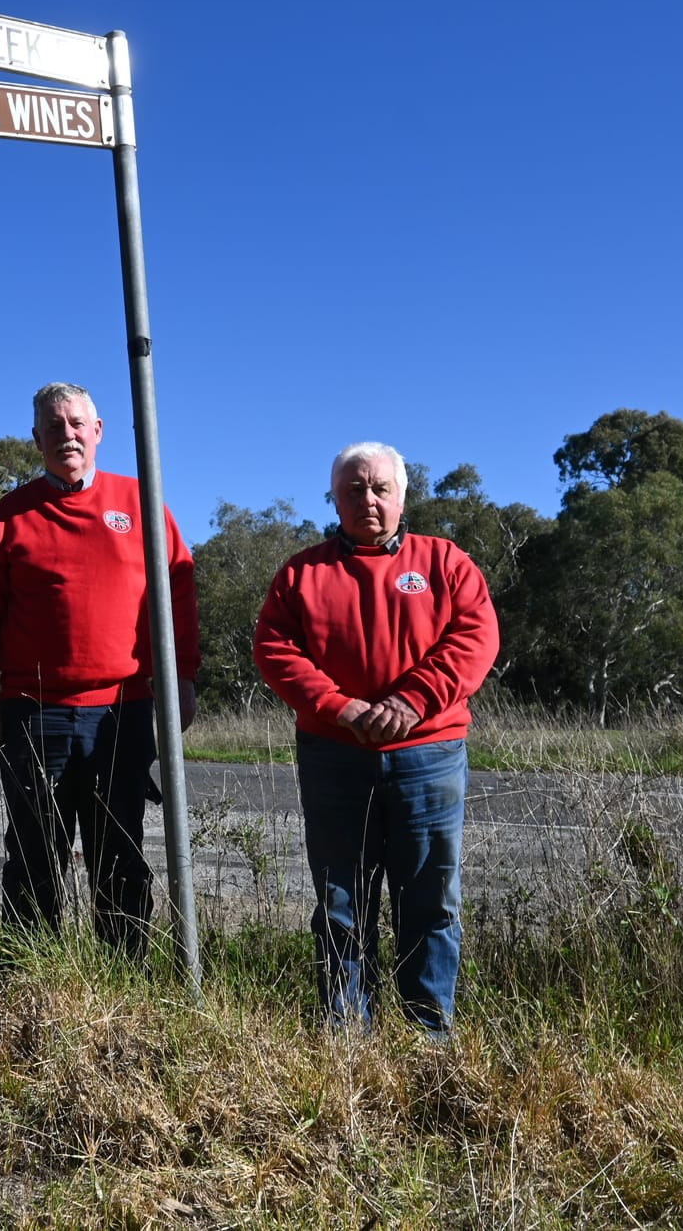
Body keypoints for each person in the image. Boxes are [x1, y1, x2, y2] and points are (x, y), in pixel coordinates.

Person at [253, 442, 499, 1034]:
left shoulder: (446, 563)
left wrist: (412, 700)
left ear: (402, 495)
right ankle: (346, 1041)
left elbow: (475, 638)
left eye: (380, 488)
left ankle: (428, 1037)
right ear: (334, 499)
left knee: (431, 902)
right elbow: (275, 649)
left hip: (428, 755)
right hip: (335, 756)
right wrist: (340, 708)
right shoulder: (301, 574)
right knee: (341, 905)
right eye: (354, 489)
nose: (368, 499)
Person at [0, 382, 198, 956]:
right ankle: (32, 981)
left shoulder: (142, 503)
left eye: (76, 423)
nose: (66, 434)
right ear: (37, 439)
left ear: (97, 431)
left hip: (124, 712)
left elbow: (179, 592)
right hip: (32, 715)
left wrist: (183, 679)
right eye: (54, 426)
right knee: (35, 853)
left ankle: (125, 980)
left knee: (120, 852)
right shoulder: (9, 517)